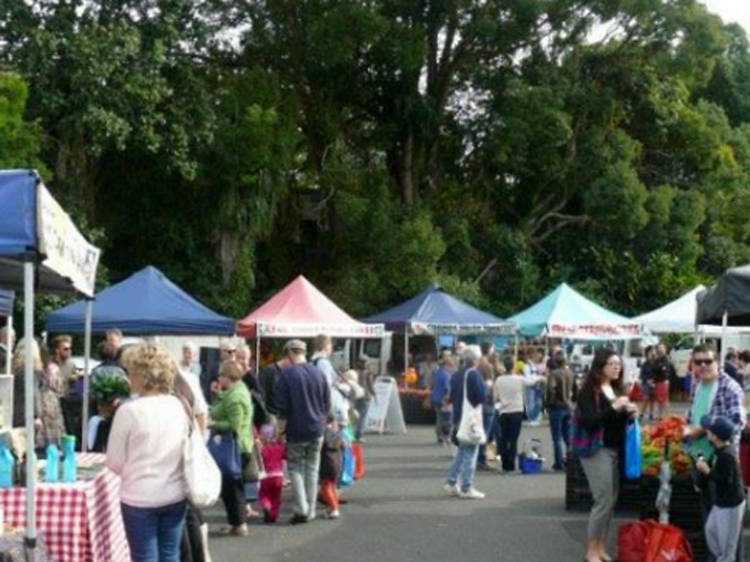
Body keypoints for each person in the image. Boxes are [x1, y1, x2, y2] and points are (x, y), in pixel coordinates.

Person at [107, 344, 189, 562]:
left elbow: (114, 462)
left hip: (139, 496)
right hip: (174, 493)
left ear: (142, 375)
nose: (128, 378)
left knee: (144, 557)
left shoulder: (128, 411)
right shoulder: (177, 406)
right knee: (171, 555)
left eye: (130, 372)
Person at [577, 348, 636, 562]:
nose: (617, 366)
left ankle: (601, 547)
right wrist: (614, 407)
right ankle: (591, 550)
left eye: (618, 363)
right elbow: (590, 421)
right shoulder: (588, 391)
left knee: (611, 501)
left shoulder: (615, 388)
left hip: (614, 449)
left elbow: (615, 422)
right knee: (602, 500)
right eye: (612, 363)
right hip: (595, 449)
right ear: (600, 366)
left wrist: (630, 414)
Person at [275, 339, 330, 524]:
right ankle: (311, 509)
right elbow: (326, 403)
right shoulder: (319, 373)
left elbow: (282, 410)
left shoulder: (287, 375)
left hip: (297, 429)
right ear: (304, 352)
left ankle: (301, 509)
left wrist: (280, 433)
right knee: (313, 468)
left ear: (290, 353)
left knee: (295, 467)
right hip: (317, 428)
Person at [209, 360, 254, 537]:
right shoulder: (235, 391)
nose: (219, 378)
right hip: (239, 446)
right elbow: (223, 407)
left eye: (221, 375)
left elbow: (234, 425)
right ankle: (236, 523)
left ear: (229, 376)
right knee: (232, 487)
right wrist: (217, 395)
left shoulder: (236, 397)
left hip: (236, 447)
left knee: (232, 488)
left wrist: (213, 424)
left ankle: (239, 524)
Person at [696, 415, 746, 562]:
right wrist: (701, 481)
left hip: (731, 505)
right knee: (710, 531)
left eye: (709, 430)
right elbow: (710, 466)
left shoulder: (728, 455)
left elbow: (726, 480)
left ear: (716, 436)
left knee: (727, 547)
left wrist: (707, 471)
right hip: (721, 502)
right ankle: (721, 558)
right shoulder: (717, 450)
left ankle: (725, 558)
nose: (707, 432)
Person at [444, 346, 487, 500]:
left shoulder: (456, 374)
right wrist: (487, 387)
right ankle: (466, 487)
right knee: (470, 452)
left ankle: (452, 482)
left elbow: (451, 396)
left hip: (458, 416)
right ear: (475, 359)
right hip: (470, 419)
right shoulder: (473, 374)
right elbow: (481, 396)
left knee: (462, 452)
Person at [493, 358, 545, 472]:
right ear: (513, 367)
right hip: (516, 411)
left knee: (504, 438)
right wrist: (541, 377)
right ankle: (511, 463)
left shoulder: (499, 380)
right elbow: (531, 381)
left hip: (503, 411)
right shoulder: (519, 379)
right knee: (513, 439)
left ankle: (504, 463)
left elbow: (495, 397)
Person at [545, 352, 576, 471]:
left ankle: (559, 463)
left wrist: (548, 404)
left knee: (557, 437)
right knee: (568, 437)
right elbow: (575, 389)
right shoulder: (570, 373)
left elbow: (550, 390)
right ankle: (571, 461)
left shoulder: (554, 374)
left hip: (557, 406)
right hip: (569, 406)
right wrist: (573, 401)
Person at [257, 424, 286, 524]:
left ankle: (266, 506)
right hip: (278, 476)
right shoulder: (279, 448)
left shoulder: (262, 449)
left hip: (266, 476)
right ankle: (273, 516)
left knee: (264, 494)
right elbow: (286, 455)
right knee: (276, 497)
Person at [318, 414, 344, 519]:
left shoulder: (324, 433)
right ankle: (333, 506)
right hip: (337, 463)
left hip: (327, 463)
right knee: (332, 486)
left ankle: (334, 508)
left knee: (326, 488)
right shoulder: (337, 433)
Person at [476, 342, 496, 470]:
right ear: (489, 350)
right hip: (487, 402)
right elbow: (489, 385)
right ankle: (481, 459)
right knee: (486, 432)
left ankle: (478, 458)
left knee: (480, 431)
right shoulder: (487, 366)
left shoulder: (477, 364)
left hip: (477, 402)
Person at [431, 351, 456, 446]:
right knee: (447, 420)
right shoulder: (446, 375)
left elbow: (433, 384)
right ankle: (445, 437)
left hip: (436, 398)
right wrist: (448, 398)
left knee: (438, 418)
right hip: (444, 399)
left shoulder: (438, 373)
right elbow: (447, 388)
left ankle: (439, 436)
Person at [259, 354, 291, 423]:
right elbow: (262, 391)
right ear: (286, 359)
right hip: (271, 413)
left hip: (283, 414)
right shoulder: (270, 370)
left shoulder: (288, 372)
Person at [354, 358, 376, 441]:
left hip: (356, 395)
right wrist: (374, 394)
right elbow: (370, 385)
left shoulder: (355, 372)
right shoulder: (368, 374)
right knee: (363, 416)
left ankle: (353, 433)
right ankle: (359, 435)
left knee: (355, 416)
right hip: (366, 396)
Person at [653, 343, 674, 420]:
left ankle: (666, 415)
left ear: (665, 349)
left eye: (662, 348)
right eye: (659, 348)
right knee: (659, 399)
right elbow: (656, 369)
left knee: (664, 399)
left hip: (663, 381)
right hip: (658, 381)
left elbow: (663, 369)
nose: (660, 350)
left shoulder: (665, 359)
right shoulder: (658, 359)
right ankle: (660, 415)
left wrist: (659, 368)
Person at [639, 346, 657, 420]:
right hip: (646, 383)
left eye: (653, 351)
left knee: (653, 398)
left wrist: (654, 380)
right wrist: (647, 380)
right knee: (646, 397)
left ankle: (651, 414)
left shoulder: (656, 362)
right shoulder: (645, 364)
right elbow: (641, 375)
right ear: (647, 354)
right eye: (650, 352)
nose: (652, 353)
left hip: (655, 383)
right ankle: (641, 413)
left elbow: (659, 373)